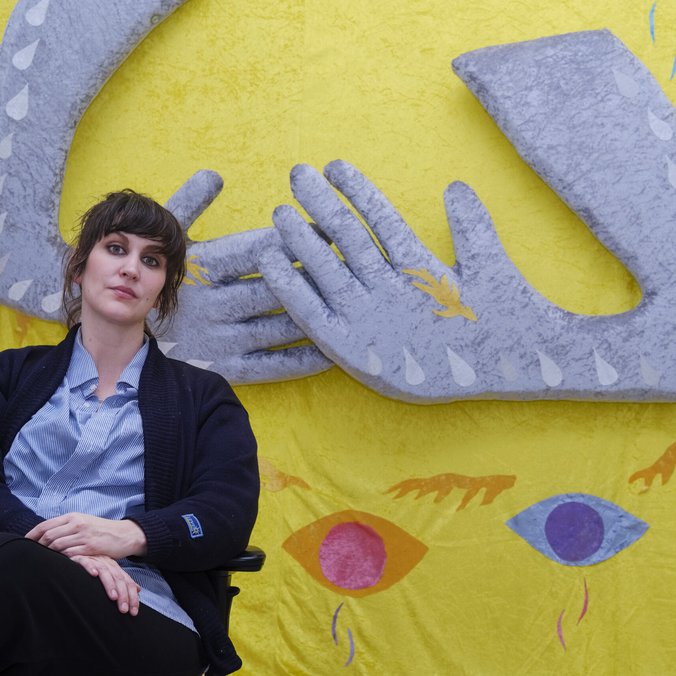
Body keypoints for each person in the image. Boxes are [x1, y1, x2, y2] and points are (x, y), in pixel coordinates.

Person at [0, 190, 259, 675]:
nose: (131, 269)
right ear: (79, 267)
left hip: (138, 609)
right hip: (16, 577)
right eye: (116, 248)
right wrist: (58, 549)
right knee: (16, 571)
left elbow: (225, 515)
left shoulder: (204, 397)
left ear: (163, 291)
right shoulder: (10, 375)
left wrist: (130, 534)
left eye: (152, 260)